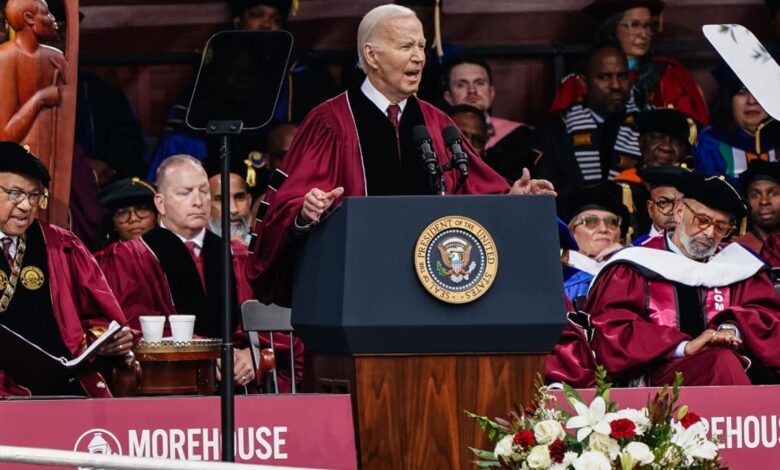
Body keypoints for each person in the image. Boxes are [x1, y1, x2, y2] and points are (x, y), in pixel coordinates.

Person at [249, 4, 555, 307]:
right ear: (372, 55)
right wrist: (305, 213)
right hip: (355, 295)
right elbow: (284, 208)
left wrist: (514, 200)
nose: (419, 57)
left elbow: (473, 191)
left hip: (436, 292)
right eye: (406, 46)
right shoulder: (331, 122)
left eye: (421, 46)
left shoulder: (438, 123)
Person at [99, 155, 303, 391]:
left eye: (204, 192)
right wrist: (207, 354)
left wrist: (251, 354)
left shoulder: (237, 255)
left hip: (240, 387)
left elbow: (273, 326)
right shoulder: (130, 257)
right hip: (169, 387)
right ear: (160, 203)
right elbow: (136, 325)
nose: (198, 202)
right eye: (185, 193)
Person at [585, 172, 780, 386]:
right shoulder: (634, 264)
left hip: (732, 368)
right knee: (720, 360)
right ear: (679, 212)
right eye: (702, 220)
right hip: (657, 381)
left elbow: (766, 317)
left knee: (723, 360)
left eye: (721, 227)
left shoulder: (739, 266)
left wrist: (731, 330)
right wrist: (684, 346)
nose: (709, 233)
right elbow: (614, 331)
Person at [0, 142, 133, 397]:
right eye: (16, 193)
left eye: (34, 195)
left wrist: (105, 341)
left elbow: (101, 318)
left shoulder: (61, 244)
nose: (27, 206)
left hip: (62, 381)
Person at [549, 0, 708, 126]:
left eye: (648, 26)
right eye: (635, 25)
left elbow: (690, 129)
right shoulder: (580, 81)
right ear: (612, 29)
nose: (644, 34)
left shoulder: (668, 75)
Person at [534, 44, 639, 215]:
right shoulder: (556, 131)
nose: (616, 85)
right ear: (583, 81)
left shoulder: (647, 128)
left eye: (622, 76)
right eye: (604, 76)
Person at [441, 56, 536, 181]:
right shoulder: (435, 134)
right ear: (448, 96)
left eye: (480, 83)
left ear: (492, 93)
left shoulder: (520, 136)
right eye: (461, 85)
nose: (472, 91)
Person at [0, 0, 67, 166]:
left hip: (54, 158)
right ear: (29, 18)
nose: (53, 19)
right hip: (20, 167)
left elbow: (67, 113)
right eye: (46, 13)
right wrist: (40, 98)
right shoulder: (6, 57)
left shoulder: (56, 58)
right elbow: (7, 134)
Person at [694, 64, 777, 187]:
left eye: (758, 92)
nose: (751, 101)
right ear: (729, 100)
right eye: (742, 91)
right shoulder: (711, 142)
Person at [561, 184, 628, 302]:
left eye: (612, 222)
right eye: (591, 221)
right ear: (571, 231)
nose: (603, 229)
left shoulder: (634, 268)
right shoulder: (557, 269)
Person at [203, 156, 254, 246]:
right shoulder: (193, 253)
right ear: (204, 205)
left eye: (239, 198)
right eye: (221, 200)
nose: (233, 210)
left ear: (249, 201)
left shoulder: (266, 250)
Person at [95, 177, 157, 249]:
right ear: (113, 222)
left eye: (141, 209)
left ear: (156, 216)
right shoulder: (102, 259)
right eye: (122, 213)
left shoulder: (171, 251)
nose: (133, 219)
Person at [630, 165, 686, 245]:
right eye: (664, 203)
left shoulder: (700, 255)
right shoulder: (633, 252)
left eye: (682, 205)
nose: (674, 211)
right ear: (650, 209)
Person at [735, 159, 780, 253]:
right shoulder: (736, 249)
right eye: (755, 195)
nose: (764, 201)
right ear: (747, 201)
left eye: (773, 193)